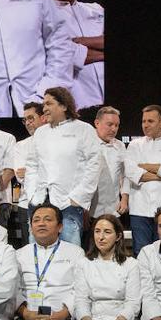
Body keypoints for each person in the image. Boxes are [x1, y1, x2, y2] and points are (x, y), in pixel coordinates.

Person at [25, 87, 100, 245]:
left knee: (70, 256)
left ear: (64, 106)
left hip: (68, 205)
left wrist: (78, 197)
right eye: (43, 104)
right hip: (39, 202)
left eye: (49, 104)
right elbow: (31, 164)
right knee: (36, 253)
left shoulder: (84, 130)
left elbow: (94, 164)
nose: (44, 108)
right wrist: (31, 193)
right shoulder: (40, 133)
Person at [46, 0, 105, 110]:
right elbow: (63, 56)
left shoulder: (96, 9)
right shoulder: (44, 16)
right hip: (79, 104)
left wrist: (79, 42)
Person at [124, 105, 161, 253]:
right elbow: (131, 172)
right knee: (141, 252)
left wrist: (143, 166)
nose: (145, 125)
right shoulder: (134, 145)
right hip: (139, 208)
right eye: (144, 121)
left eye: (150, 121)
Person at [90, 106, 128, 219]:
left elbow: (125, 175)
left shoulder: (120, 146)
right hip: (89, 212)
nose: (114, 129)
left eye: (116, 125)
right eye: (110, 124)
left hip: (114, 211)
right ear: (97, 123)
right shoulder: (87, 144)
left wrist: (124, 199)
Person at [7, 101, 44, 206]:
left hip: (56, 201)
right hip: (27, 204)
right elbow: (20, 176)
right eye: (25, 120)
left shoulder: (56, 142)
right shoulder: (20, 146)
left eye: (31, 118)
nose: (27, 123)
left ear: (43, 118)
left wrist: (30, 172)